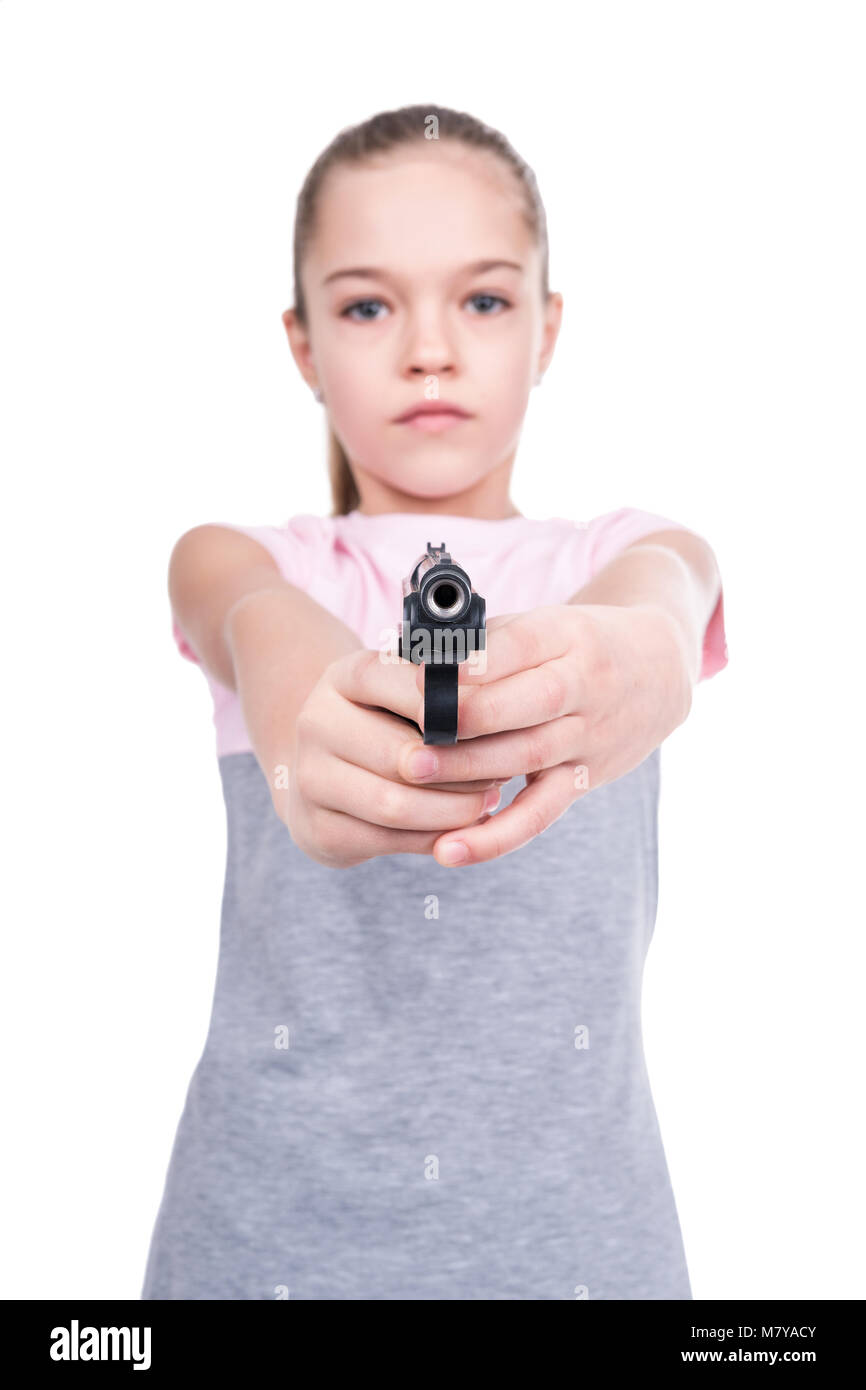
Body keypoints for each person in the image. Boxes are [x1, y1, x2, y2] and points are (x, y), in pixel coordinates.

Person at [141, 103, 728, 1301]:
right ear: (301, 344)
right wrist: (316, 725)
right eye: (367, 305)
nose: (428, 350)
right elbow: (254, 624)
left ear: (546, 327)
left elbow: (664, 598)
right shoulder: (238, 556)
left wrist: (637, 655)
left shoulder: (621, 547)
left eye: (483, 299)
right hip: (264, 1240)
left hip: (577, 1247)